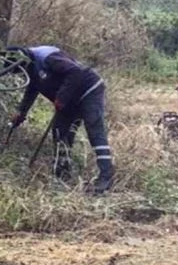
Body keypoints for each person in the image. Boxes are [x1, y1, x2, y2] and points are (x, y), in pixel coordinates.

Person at [10, 45, 114, 194]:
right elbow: (32, 90)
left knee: (94, 129)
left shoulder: (46, 57)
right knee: (60, 132)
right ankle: (62, 175)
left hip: (88, 89)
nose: (22, 75)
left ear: (25, 61)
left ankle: (106, 176)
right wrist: (21, 112)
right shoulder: (31, 70)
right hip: (70, 99)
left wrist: (61, 98)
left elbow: (75, 72)